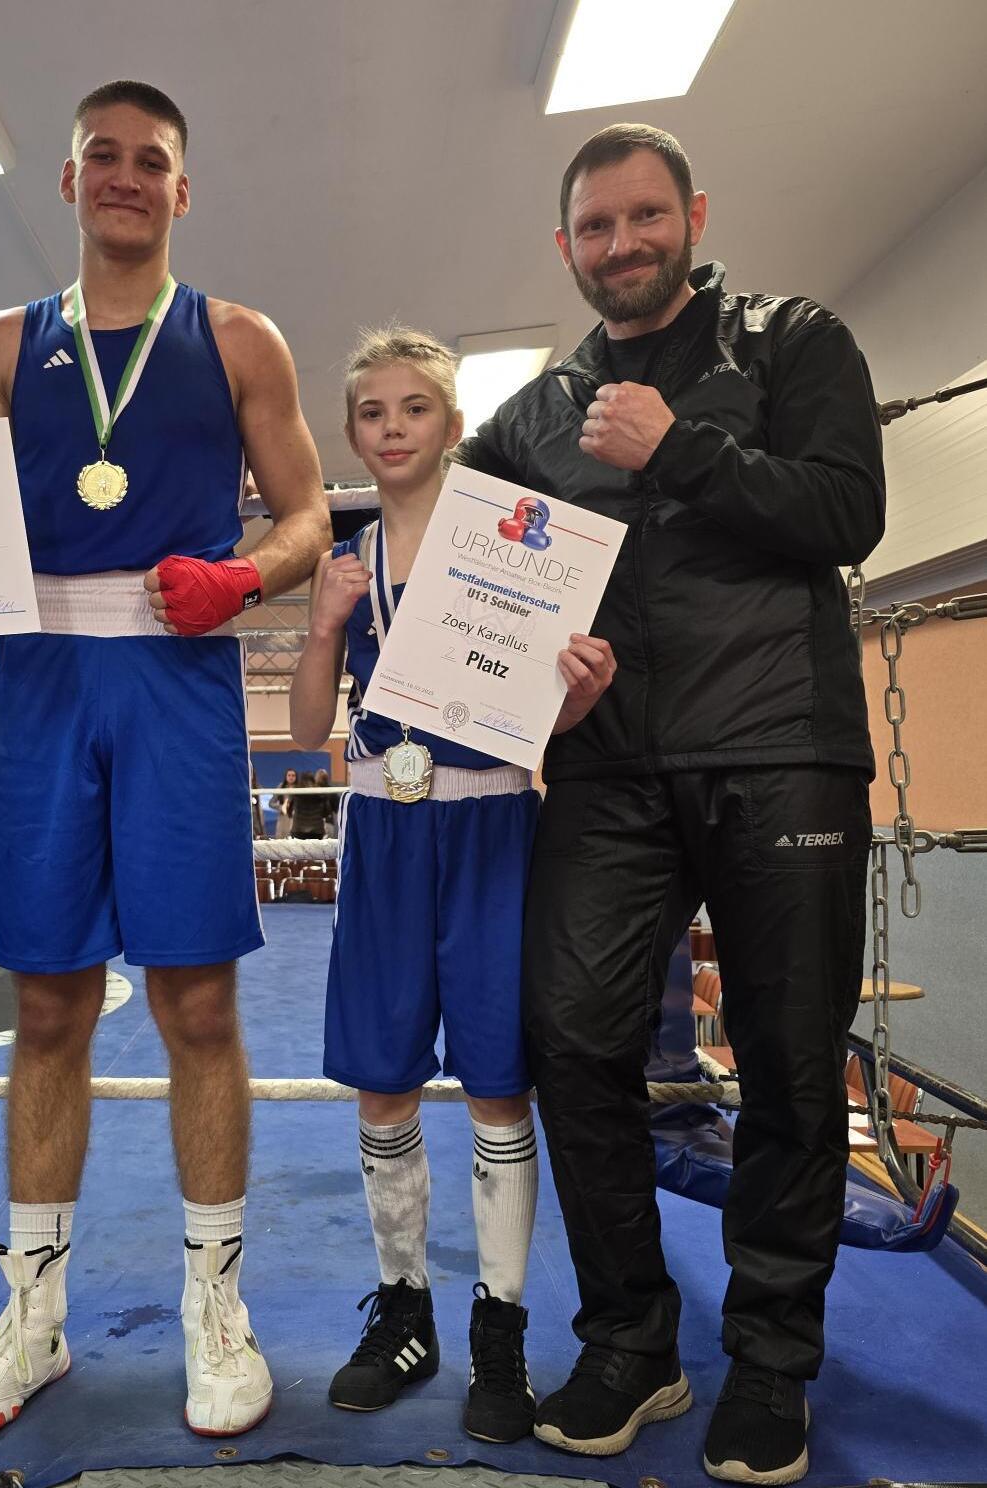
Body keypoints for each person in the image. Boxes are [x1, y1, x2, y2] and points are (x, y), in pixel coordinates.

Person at [0, 79, 330, 1441]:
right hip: (44, 685)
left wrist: (239, 578)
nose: (123, 176)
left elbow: (305, 517)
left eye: (149, 160)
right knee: (46, 1010)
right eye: (99, 157)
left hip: (176, 679)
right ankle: (35, 1316)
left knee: (197, 1009)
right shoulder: (0, 347)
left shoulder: (238, 340)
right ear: (66, 182)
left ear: (181, 189)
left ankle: (212, 1307)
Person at [456, 124, 884, 1483]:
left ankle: (768, 1365)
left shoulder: (787, 339)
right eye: (594, 227)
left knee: (785, 1058)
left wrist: (677, 452)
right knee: (569, 1039)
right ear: (564, 246)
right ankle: (630, 1338)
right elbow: (465, 556)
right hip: (608, 769)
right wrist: (525, 682)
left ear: (689, 216)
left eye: (643, 218)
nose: (621, 245)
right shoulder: (531, 412)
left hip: (776, 752)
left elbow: (845, 510)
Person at [290, 328, 615, 1444]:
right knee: (382, 1083)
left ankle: (503, 1329)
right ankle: (405, 1312)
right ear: (351, 433)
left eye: (413, 409)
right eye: (372, 412)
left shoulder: (512, 554)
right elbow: (300, 731)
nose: (392, 428)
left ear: (452, 424)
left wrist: (579, 691)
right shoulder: (347, 559)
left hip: (491, 826)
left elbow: (551, 726)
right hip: (385, 825)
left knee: (496, 1085)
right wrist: (326, 626)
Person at [269, 766, 299, 838]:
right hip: (282, 819)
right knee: (280, 843)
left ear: (296, 777)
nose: (291, 777)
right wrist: (281, 807)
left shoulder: (299, 787)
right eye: (289, 775)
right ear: (286, 777)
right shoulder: (281, 786)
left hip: (296, 819)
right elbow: (271, 803)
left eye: (293, 775)